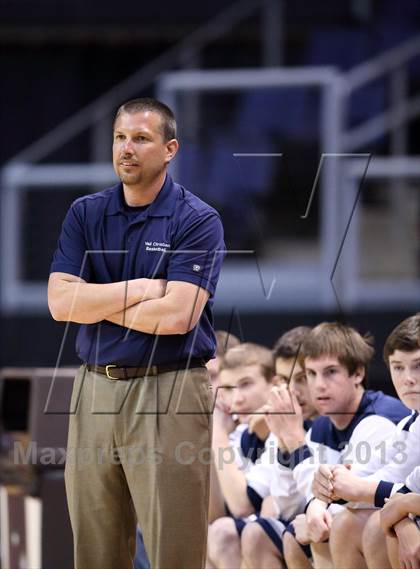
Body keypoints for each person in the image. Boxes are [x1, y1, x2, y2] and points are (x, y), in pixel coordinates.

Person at [48, 97, 225, 569]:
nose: (127, 148)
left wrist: (97, 301)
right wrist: (140, 290)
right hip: (93, 387)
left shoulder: (197, 220)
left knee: (174, 549)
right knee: (94, 547)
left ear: (170, 149)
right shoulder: (85, 213)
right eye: (120, 138)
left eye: (141, 139)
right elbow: (60, 304)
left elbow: (176, 318)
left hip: (169, 387)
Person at [272, 322, 410, 569]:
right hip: (364, 515)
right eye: (311, 374)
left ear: (358, 373)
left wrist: (295, 442)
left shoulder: (380, 419)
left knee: (339, 526)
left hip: (390, 518)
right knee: (293, 534)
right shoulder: (322, 425)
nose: (319, 385)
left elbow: (350, 498)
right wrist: (285, 445)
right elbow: (287, 505)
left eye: (330, 372)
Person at [311, 314, 420, 569]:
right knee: (348, 524)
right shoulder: (411, 423)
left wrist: (398, 510)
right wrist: (325, 492)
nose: (408, 378)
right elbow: (394, 480)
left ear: (358, 373)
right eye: (398, 367)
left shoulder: (382, 417)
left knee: (375, 525)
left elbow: (398, 489)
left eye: (418, 365)